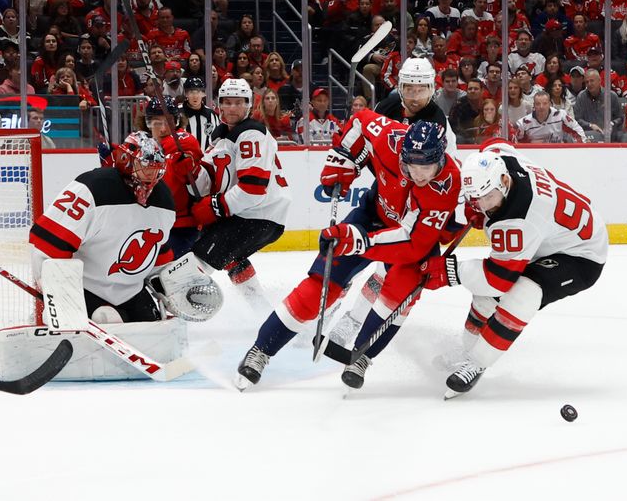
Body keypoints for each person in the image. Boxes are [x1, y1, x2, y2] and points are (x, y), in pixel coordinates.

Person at [234, 118, 461, 391]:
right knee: (321, 286)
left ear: (441, 158)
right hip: (370, 218)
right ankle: (261, 350)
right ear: (402, 153)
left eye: (427, 167)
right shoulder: (389, 137)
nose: (419, 175)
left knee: (398, 294)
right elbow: (359, 120)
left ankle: (362, 356)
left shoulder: (448, 184)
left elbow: (411, 242)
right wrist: (343, 155)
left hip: (412, 243)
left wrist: (359, 242)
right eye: (412, 166)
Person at [420, 142, 608, 398]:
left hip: (581, 255)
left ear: (505, 182)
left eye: (488, 197)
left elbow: (497, 279)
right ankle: (466, 350)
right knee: (485, 300)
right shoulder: (500, 161)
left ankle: (477, 363)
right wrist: (479, 207)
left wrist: (449, 271)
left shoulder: (520, 219)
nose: (483, 204)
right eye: (477, 197)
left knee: (522, 294)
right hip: (552, 235)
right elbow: (495, 145)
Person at [30, 131, 185, 324]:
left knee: (155, 323)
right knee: (106, 318)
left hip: (129, 291)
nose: (150, 177)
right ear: (126, 161)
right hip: (86, 285)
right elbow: (47, 243)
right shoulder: (94, 187)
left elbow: (158, 255)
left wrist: (170, 289)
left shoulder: (163, 199)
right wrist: (57, 291)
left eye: (155, 170)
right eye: (145, 168)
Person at [186, 78, 291, 304]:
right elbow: (211, 178)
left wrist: (216, 207)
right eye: (227, 102)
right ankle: (261, 313)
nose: (232, 107)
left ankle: (177, 322)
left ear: (249, 105)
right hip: (254, 215)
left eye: (238, 103)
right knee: (233, 259)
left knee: (198, 259)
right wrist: (191, 170)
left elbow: (253, 189)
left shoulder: (251, 133)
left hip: (257, 214)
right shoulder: (222, 135)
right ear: (219, 104)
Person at [139, 95, 203, 260]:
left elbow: (173, 147)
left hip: (183, 225)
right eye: (156, 122)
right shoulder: (144, 144)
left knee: (169, 269)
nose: (162, 129)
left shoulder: (184, 141)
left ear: (177, 121)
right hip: (153, 223)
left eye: (168, 122)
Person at [374, 57, 458, 154]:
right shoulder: (383, 109)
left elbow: (450, 160)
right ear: (401, 89)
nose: (416, 98)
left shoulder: (438, 120)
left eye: (421, 91)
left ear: (430, 90)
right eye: (409, 90)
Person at [515, 90, 585, 143]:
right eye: (538, 104)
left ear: (550, 104)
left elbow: (577, 129)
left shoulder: (560, 116)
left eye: (545, 103)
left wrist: (584, 147)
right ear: (534, 105)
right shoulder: (524, 123)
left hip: (557, 152)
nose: (541, 107)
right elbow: (517, 143)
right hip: (535, 154)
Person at [573, 69, 624, 140]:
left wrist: (611, 124)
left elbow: (620, 118)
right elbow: (577, 119)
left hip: (609, 138)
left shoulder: (611, 96)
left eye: (592, 81)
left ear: (599, 81)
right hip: (589, 138)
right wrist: (590, 125)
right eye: (587, 82)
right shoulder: (581, 97)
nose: (589, 84)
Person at [182, 77, 219, 151]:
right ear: (186, 94)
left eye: (198, 92)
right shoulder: (179, 113)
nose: (195, 96)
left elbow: (217, 139)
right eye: (191, 92)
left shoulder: (211, 115)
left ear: (203, 93)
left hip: (206, 159)